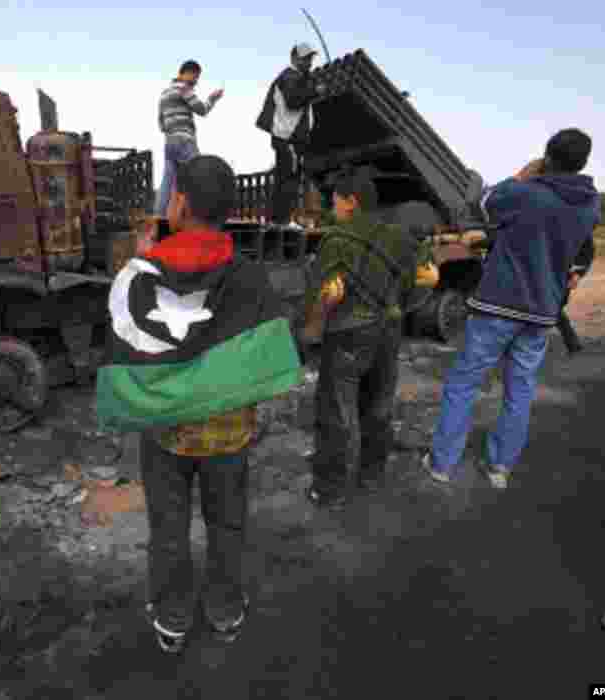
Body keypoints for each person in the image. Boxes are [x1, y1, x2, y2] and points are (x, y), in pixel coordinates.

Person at [96, 155, 303, 653]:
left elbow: (128, 338)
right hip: (229, 434)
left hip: (167, 433)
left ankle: (172, 619)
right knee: (227, 524)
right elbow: (269, 352)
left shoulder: (144, 273)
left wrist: (142, 259)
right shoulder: (249, 275)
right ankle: (226, 611)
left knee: (168, 529)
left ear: (181, 202)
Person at [423, 128, 600, 489]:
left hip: (496, 306)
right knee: (519, 391)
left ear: (548, 157)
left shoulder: (527, 193)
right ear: (582, 163)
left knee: (464, 383)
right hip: (540, 315)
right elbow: (580, 251)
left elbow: (485, 203)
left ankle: (442, 462)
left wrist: (523, 174)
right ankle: (499, 466)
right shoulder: (589, 205)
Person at [304, 171, 438, 507]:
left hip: (348, 332)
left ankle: (331, 489)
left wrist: (309, 331)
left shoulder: (337, 238)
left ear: (352, 202)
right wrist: (401, 307)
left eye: (334, 202)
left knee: (337, 410)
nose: (332, 209)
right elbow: (427, 280)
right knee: (378, 405)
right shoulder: (403, 238)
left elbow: (326, 293)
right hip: (389, 330)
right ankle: (372, 474)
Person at [255, 42, 327, 228]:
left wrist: (312, 86)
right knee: (289, 179)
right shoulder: (289, 76)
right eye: (305, 58)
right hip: (287, 137)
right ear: (294, 58)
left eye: (310, 58)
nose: (309, 62)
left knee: (285, 178)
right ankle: (283, 221)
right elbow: (293, 101)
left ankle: (278, 220)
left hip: (288, 137)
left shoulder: (297, 77)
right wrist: (315, 91)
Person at [156, 60, 224, 216]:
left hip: (170, 141)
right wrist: (213, 98)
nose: (196, 81)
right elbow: (202, 109)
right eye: (196, 77)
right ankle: (202, 216)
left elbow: (161, 124)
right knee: (199, 174)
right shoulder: (183, 88)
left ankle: (159, 216)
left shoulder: (164, 93)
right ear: (188, 73)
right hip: (185, 140)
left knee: (168, 180)